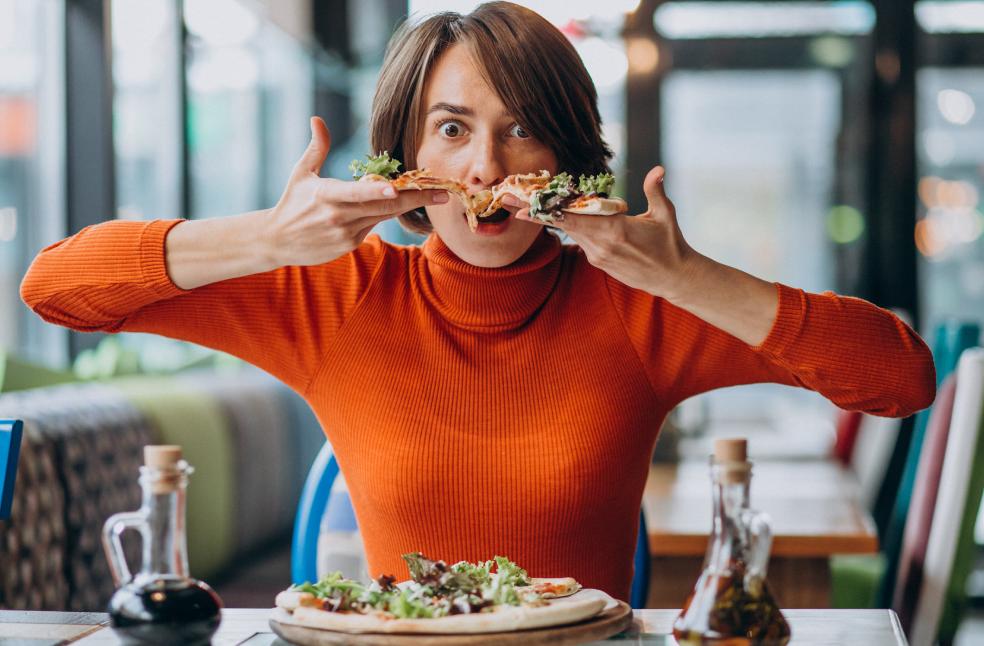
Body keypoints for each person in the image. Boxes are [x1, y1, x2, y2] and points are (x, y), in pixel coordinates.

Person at [20, 2, 934, 602]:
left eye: (522, 129)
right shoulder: (335, 297)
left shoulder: (639, 304)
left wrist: (684, 275)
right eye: (452, 129)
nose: (487, 168)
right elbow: (55, 289)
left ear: (566, 156)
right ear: (405, 159)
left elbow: (901, 378)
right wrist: (266, 237)